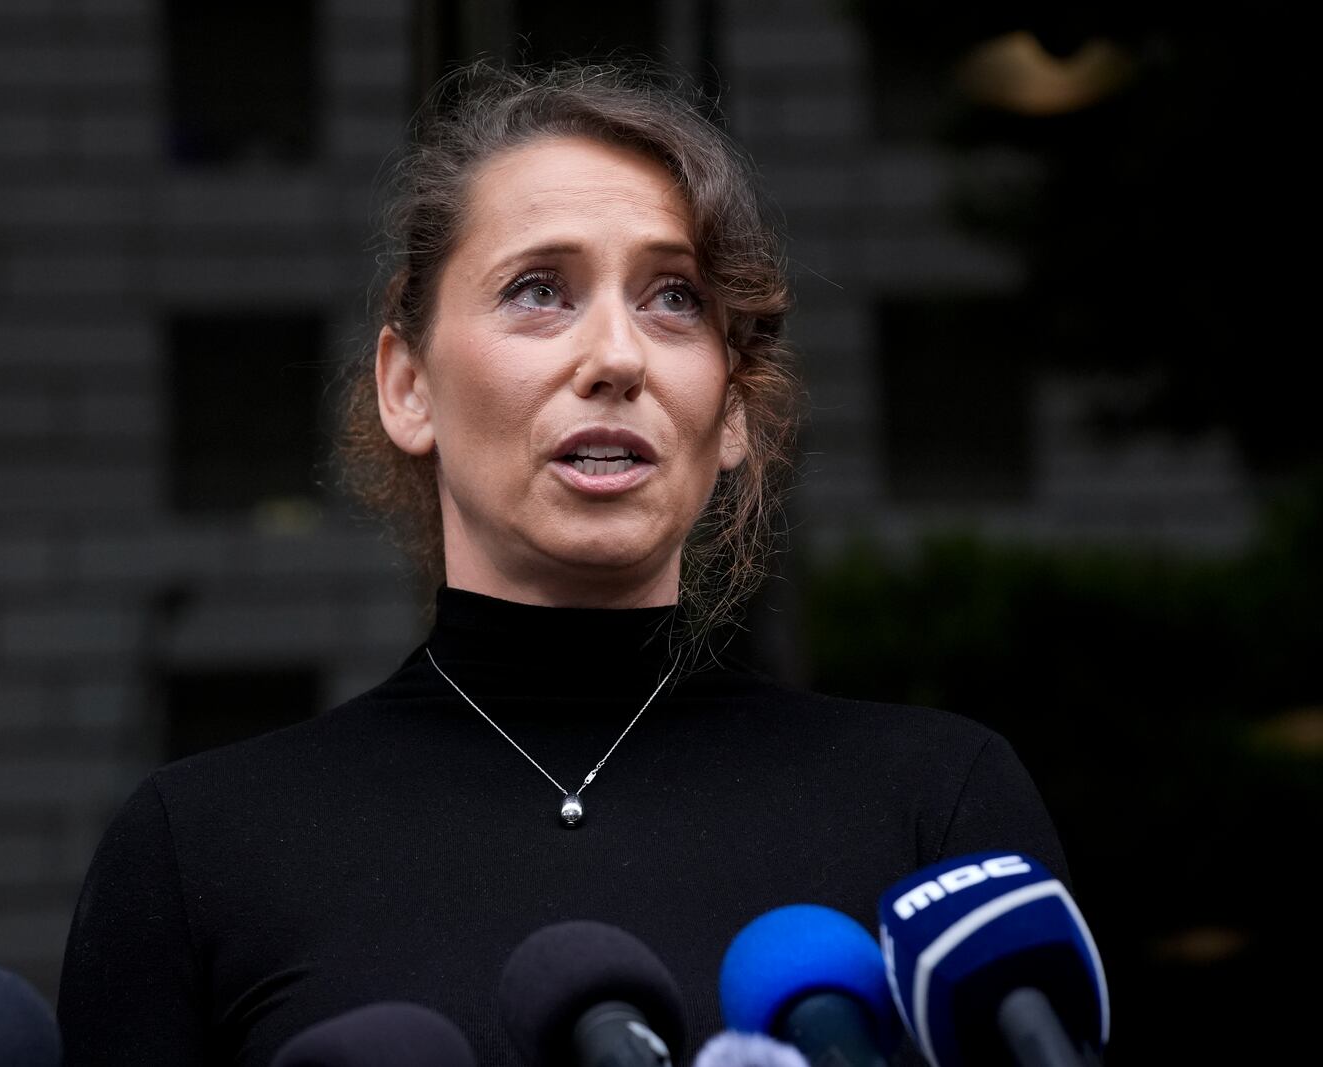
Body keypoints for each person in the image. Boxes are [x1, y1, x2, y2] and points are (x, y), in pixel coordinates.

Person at [57, 62, 1067, 1066]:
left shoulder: (933, 808)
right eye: (539, 290)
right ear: (407, 386)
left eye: (674, 297)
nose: (616, 357)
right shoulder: (201, 850)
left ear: (731, 410)